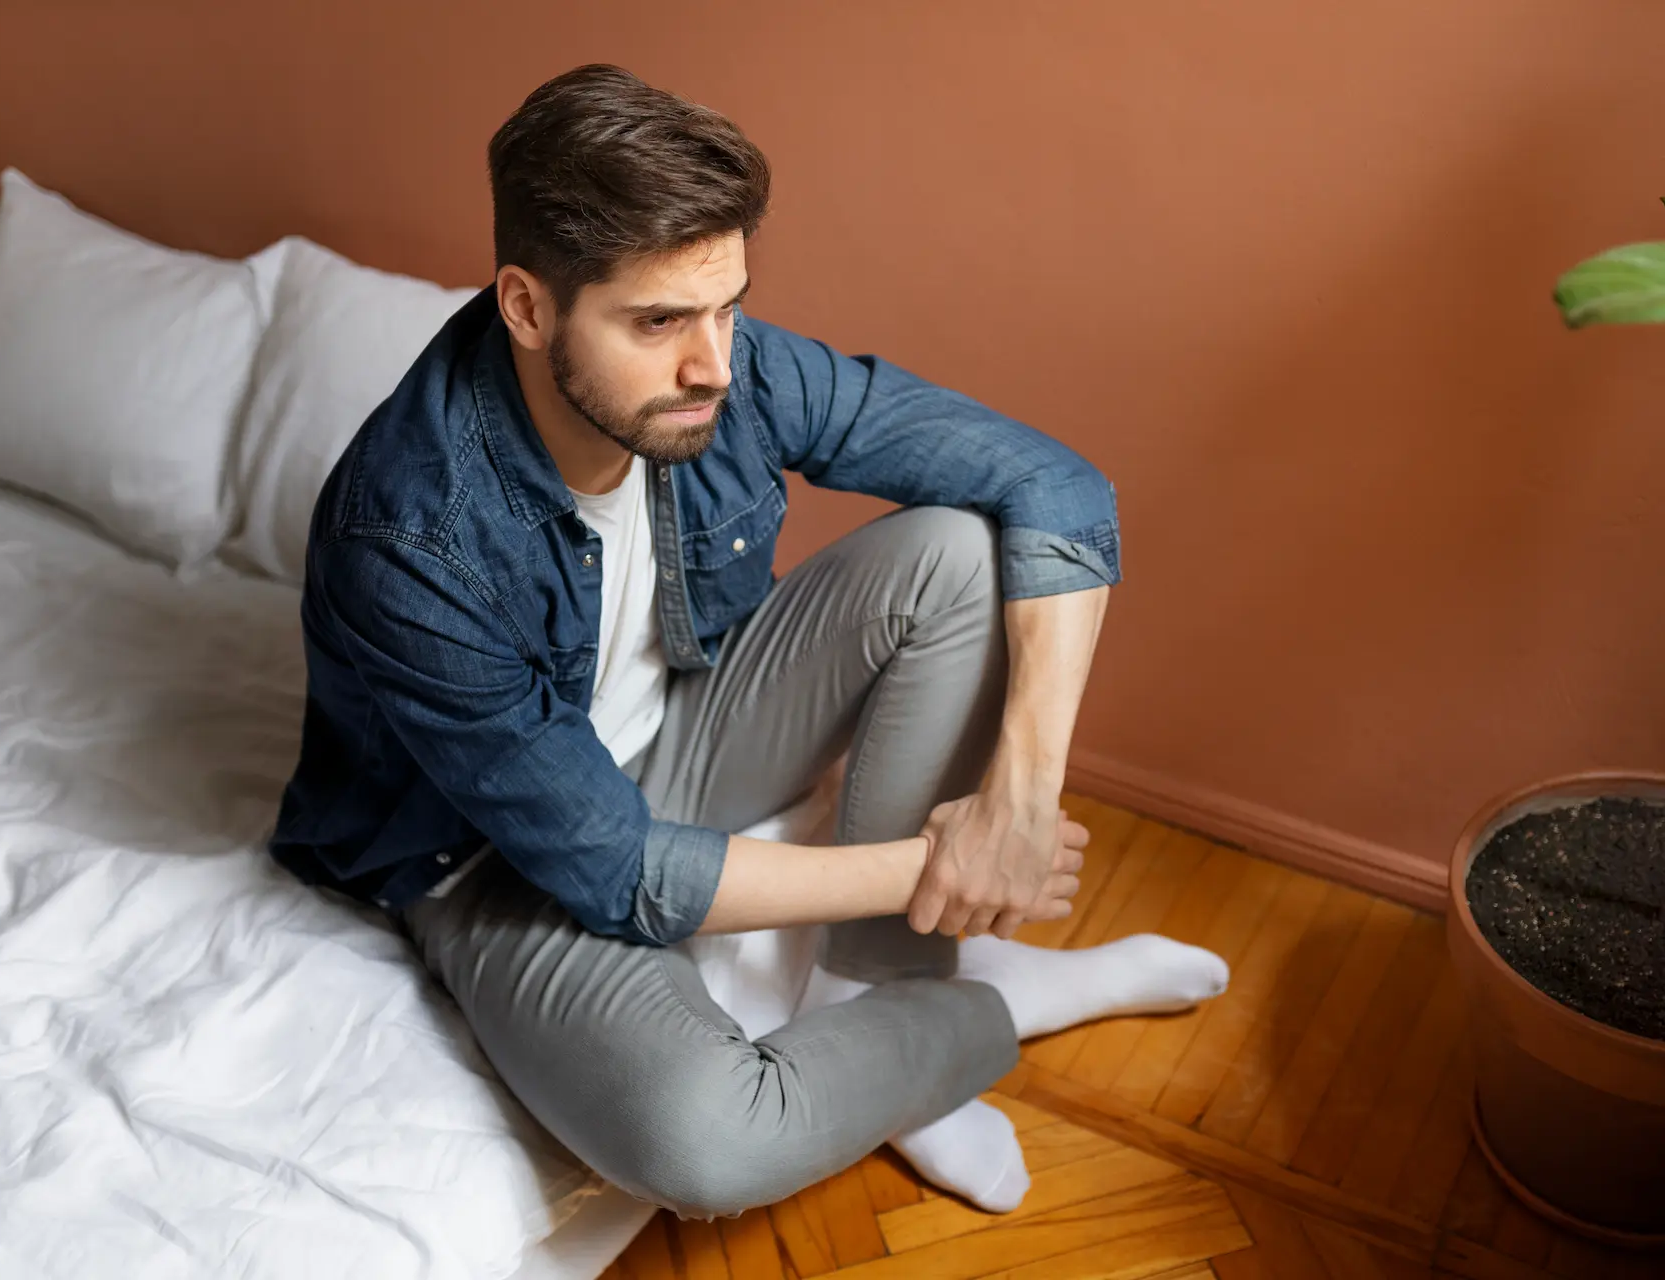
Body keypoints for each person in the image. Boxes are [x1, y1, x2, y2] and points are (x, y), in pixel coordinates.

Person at [268, 63, 1227, 1220]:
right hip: (484, 858)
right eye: (660, 320)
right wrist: (953, 869)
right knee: (705, 1143)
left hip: (686, 723)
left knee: (963, 553)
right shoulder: (409, 533)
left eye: (727, 306)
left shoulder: (728, 368)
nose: (714, 364)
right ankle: (985, 1002)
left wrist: (1018, 798)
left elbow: (1054, 486)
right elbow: (616, 870)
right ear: (527, 307)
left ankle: (878, 977)